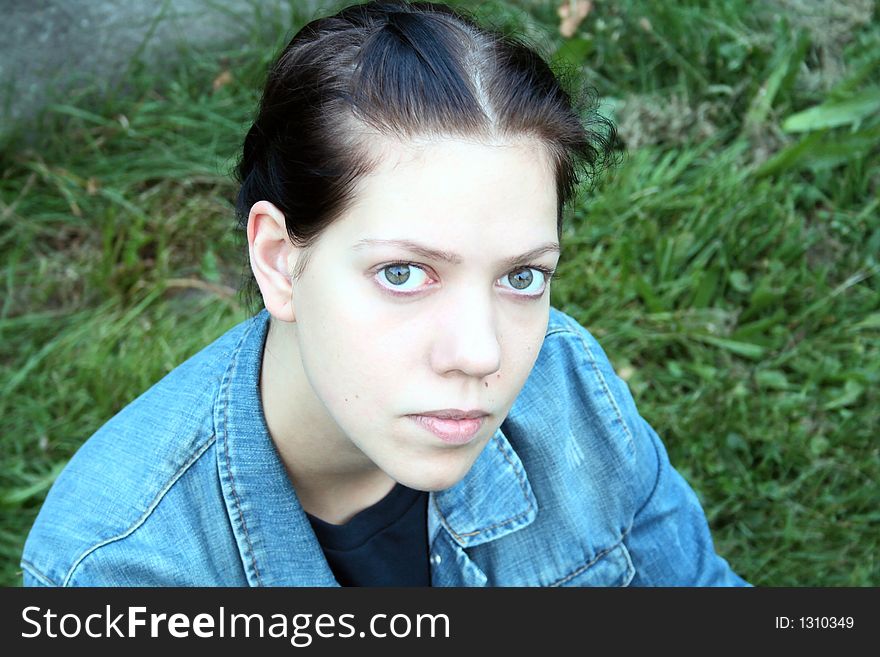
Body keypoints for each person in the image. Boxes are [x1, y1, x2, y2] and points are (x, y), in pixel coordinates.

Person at [21, 0, 749, 587]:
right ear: (279, 261)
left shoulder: (566, 388)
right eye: (404, 273)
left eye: (521, 277)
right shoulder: (123, 567)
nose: (480, 351)